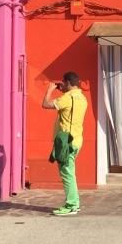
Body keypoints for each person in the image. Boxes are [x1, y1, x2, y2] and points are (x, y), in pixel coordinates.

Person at [42, 72, 88, 216]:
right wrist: (64, 91)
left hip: (66, 141)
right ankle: (75, 202)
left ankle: (72, 205)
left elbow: (45, 104)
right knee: (70, 172)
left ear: (68, 82)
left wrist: (49, 90)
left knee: (67, 174)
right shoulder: (82, 97)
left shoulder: (67, 98)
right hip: (77, 139)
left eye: (63, 82)